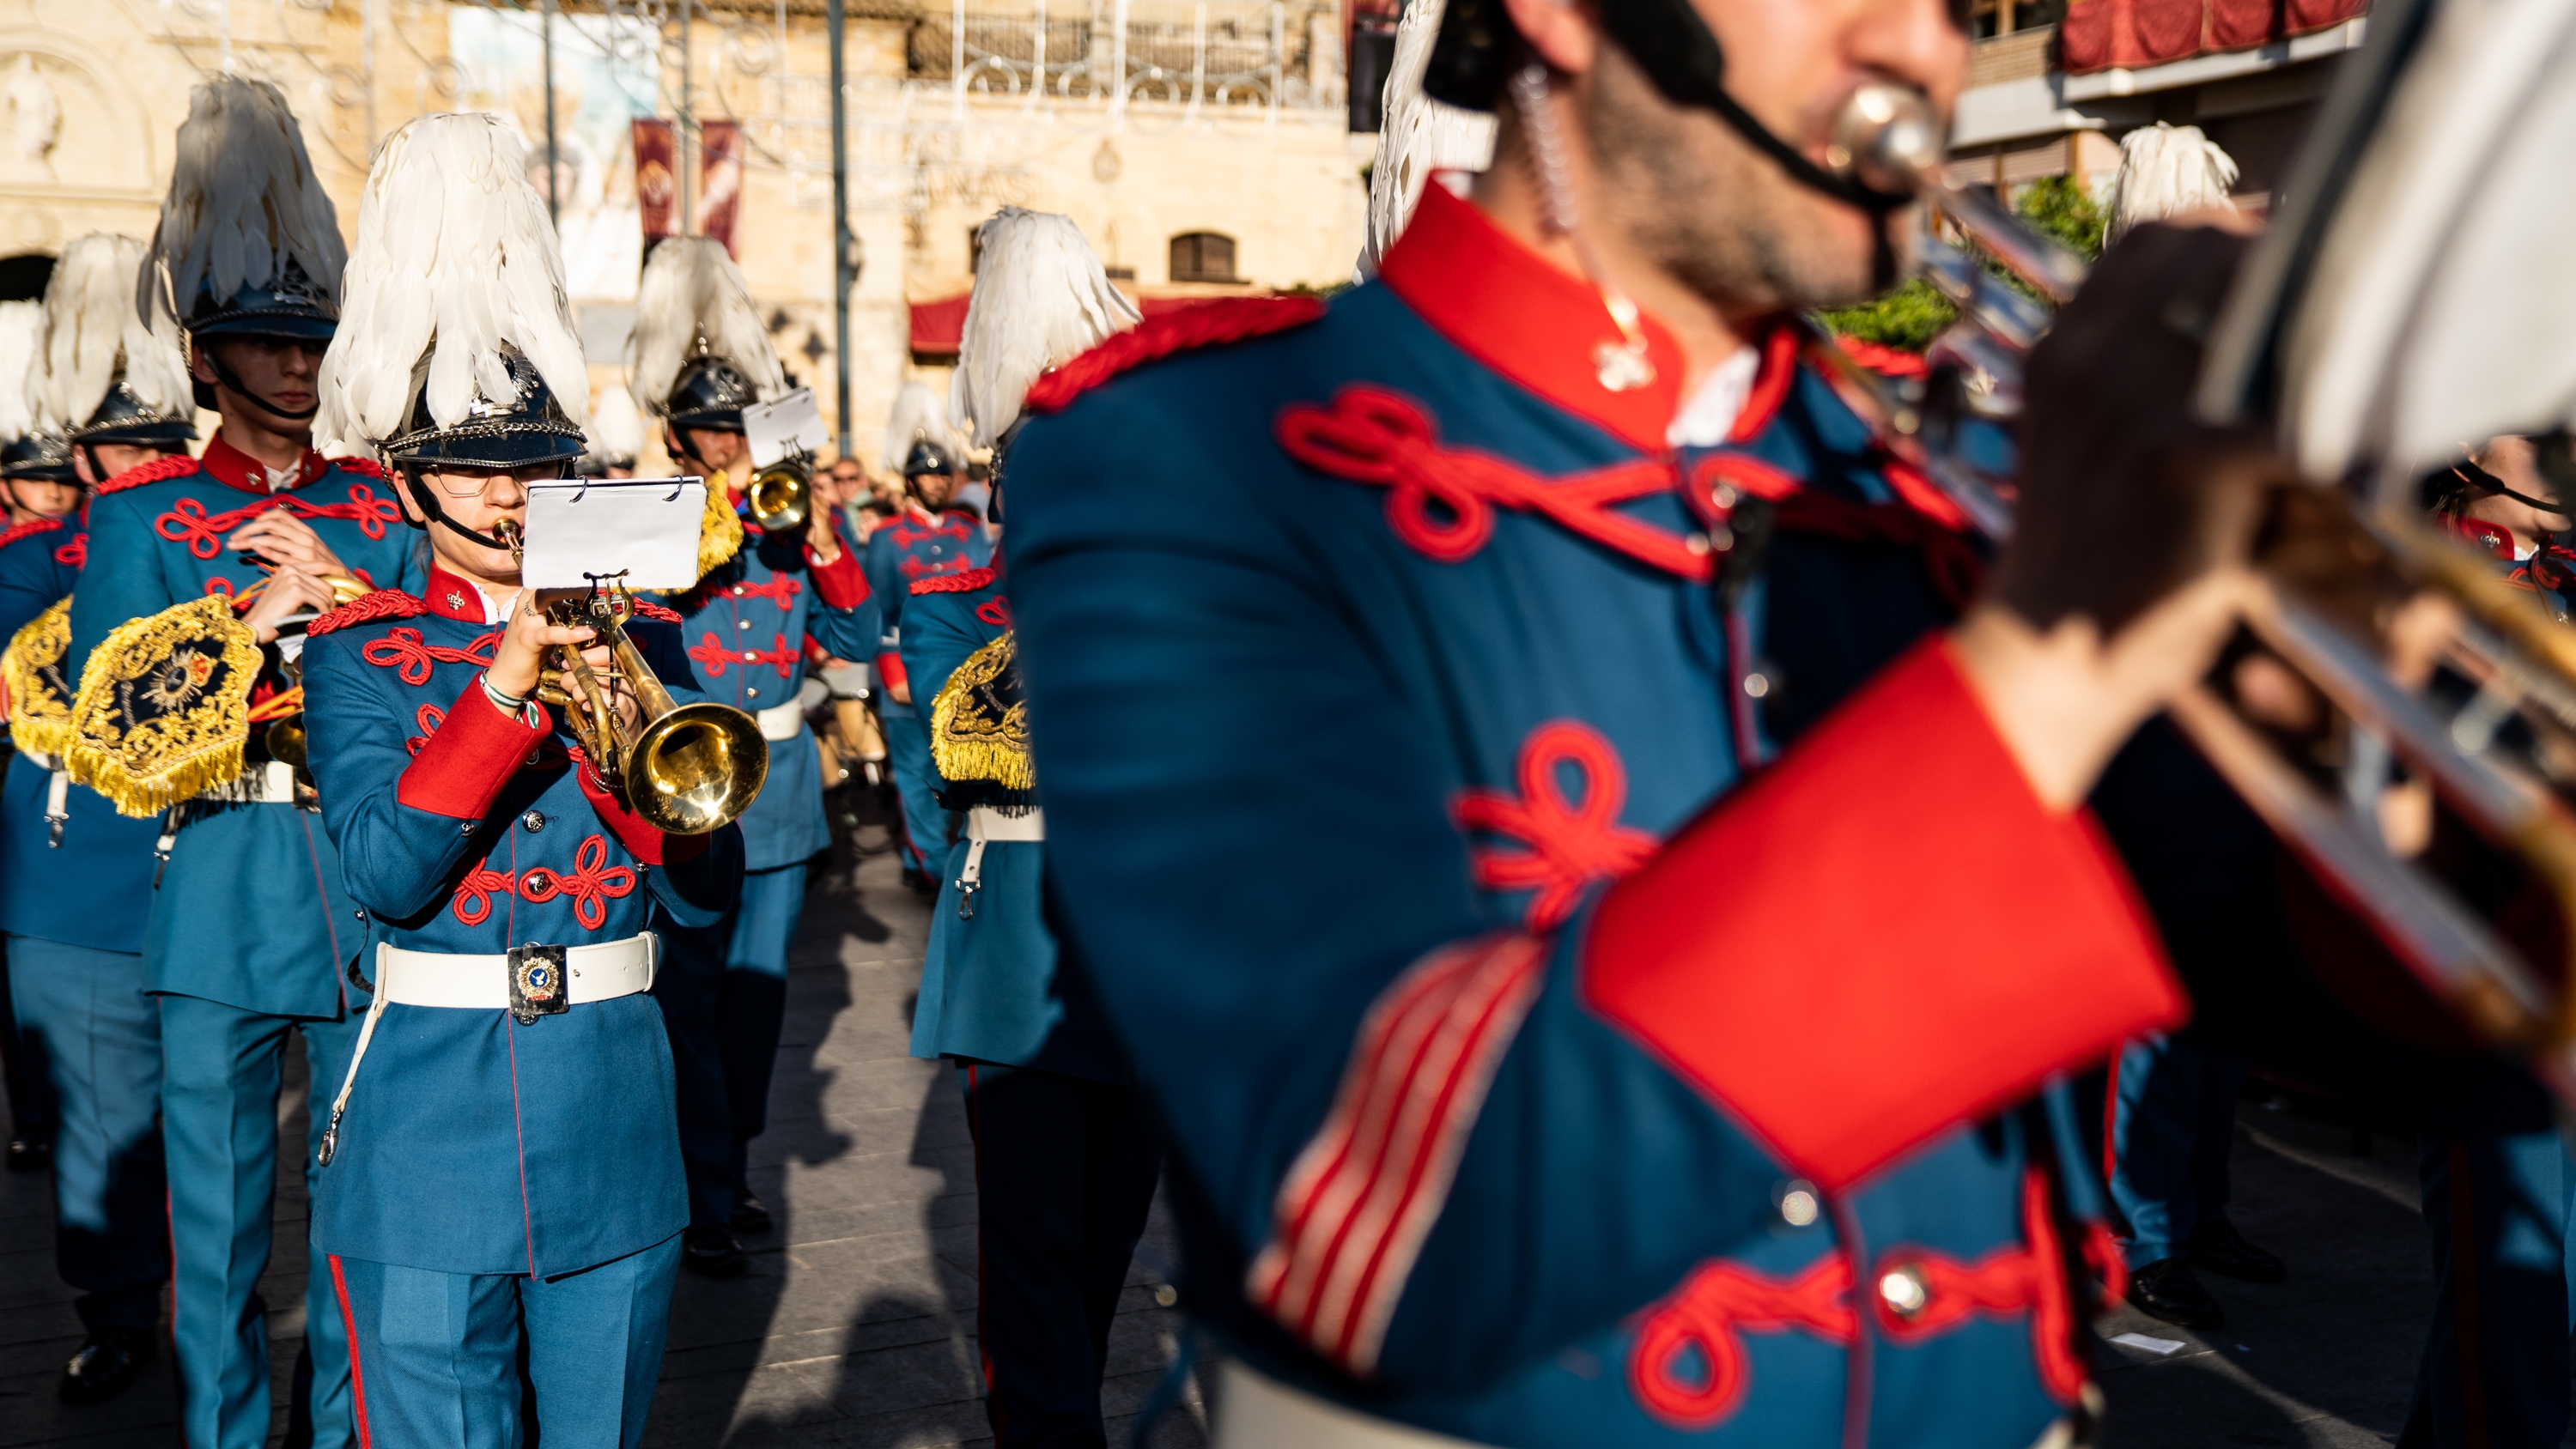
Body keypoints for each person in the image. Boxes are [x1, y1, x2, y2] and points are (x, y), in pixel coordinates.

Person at [993, 0, 2561, 1442]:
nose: (1927, 51)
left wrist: (2360, 711)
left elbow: (2363, 1008)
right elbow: (1384, 1218)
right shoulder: (1196, 450)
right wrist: (2049, 661)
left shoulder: (1937, 479)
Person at [298, 109, 742, 1448]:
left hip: (611, 1117)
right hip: (426, 1129)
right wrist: (504, 686)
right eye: (475, 473)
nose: (509, 498)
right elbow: (384, 872)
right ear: (407, 483)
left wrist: (619, 712)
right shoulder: (364, 655)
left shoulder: (640, 641)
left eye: (534, 470)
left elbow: (705, 903)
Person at [62, 79, 417, 1449]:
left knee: (352, 1215)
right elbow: (109, 723)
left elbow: (425, 671)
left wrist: (344, 596)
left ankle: (339, 1434)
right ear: (206, 358)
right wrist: (245, 624)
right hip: (212, 882)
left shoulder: (378, 510)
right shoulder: (142, 516)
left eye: (312, 337)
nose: (295, 363)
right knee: (211, 1232)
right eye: (263, 341)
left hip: (350, 876)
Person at [904, 207, 1160, 1449]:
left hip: (1147, 954)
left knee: (1110, 1242)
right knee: (1036, 1256)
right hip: (1014, 951)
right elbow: (959, 747)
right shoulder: (958, 613)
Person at [628, 235, 881, 1276]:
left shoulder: (786, 534)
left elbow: (860, 642)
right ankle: (701, 1190)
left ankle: (725, 1169)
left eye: (737, 429)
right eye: (706, 430)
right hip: (682, 797)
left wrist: (817, 528)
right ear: (677, 435)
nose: (726, 445)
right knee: (684, 994)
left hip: (772, 802)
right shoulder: (651, 522)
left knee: (757, 999)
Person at [0, 296, 174, 1404]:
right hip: (77, 874)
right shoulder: (33, 560)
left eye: (166, 441)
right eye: (126, 444)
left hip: (208, 859)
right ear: (82, 450)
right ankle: (115, 1309)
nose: (146, 460)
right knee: (101, 1124)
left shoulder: (223, 528)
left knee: (220, 1121)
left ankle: (212, 1292)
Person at [865, 436, 990, 892]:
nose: (937, 481)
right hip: (907, 670)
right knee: (919, 774)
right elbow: (876, 610)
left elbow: (982, 598)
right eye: (927, 473)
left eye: (943, 473)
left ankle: (928, 856)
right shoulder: (887, 538)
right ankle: (932, 863)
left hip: (962, 670)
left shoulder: (968, 530)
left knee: (956, 771)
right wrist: (892, 671)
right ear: (909, 480)